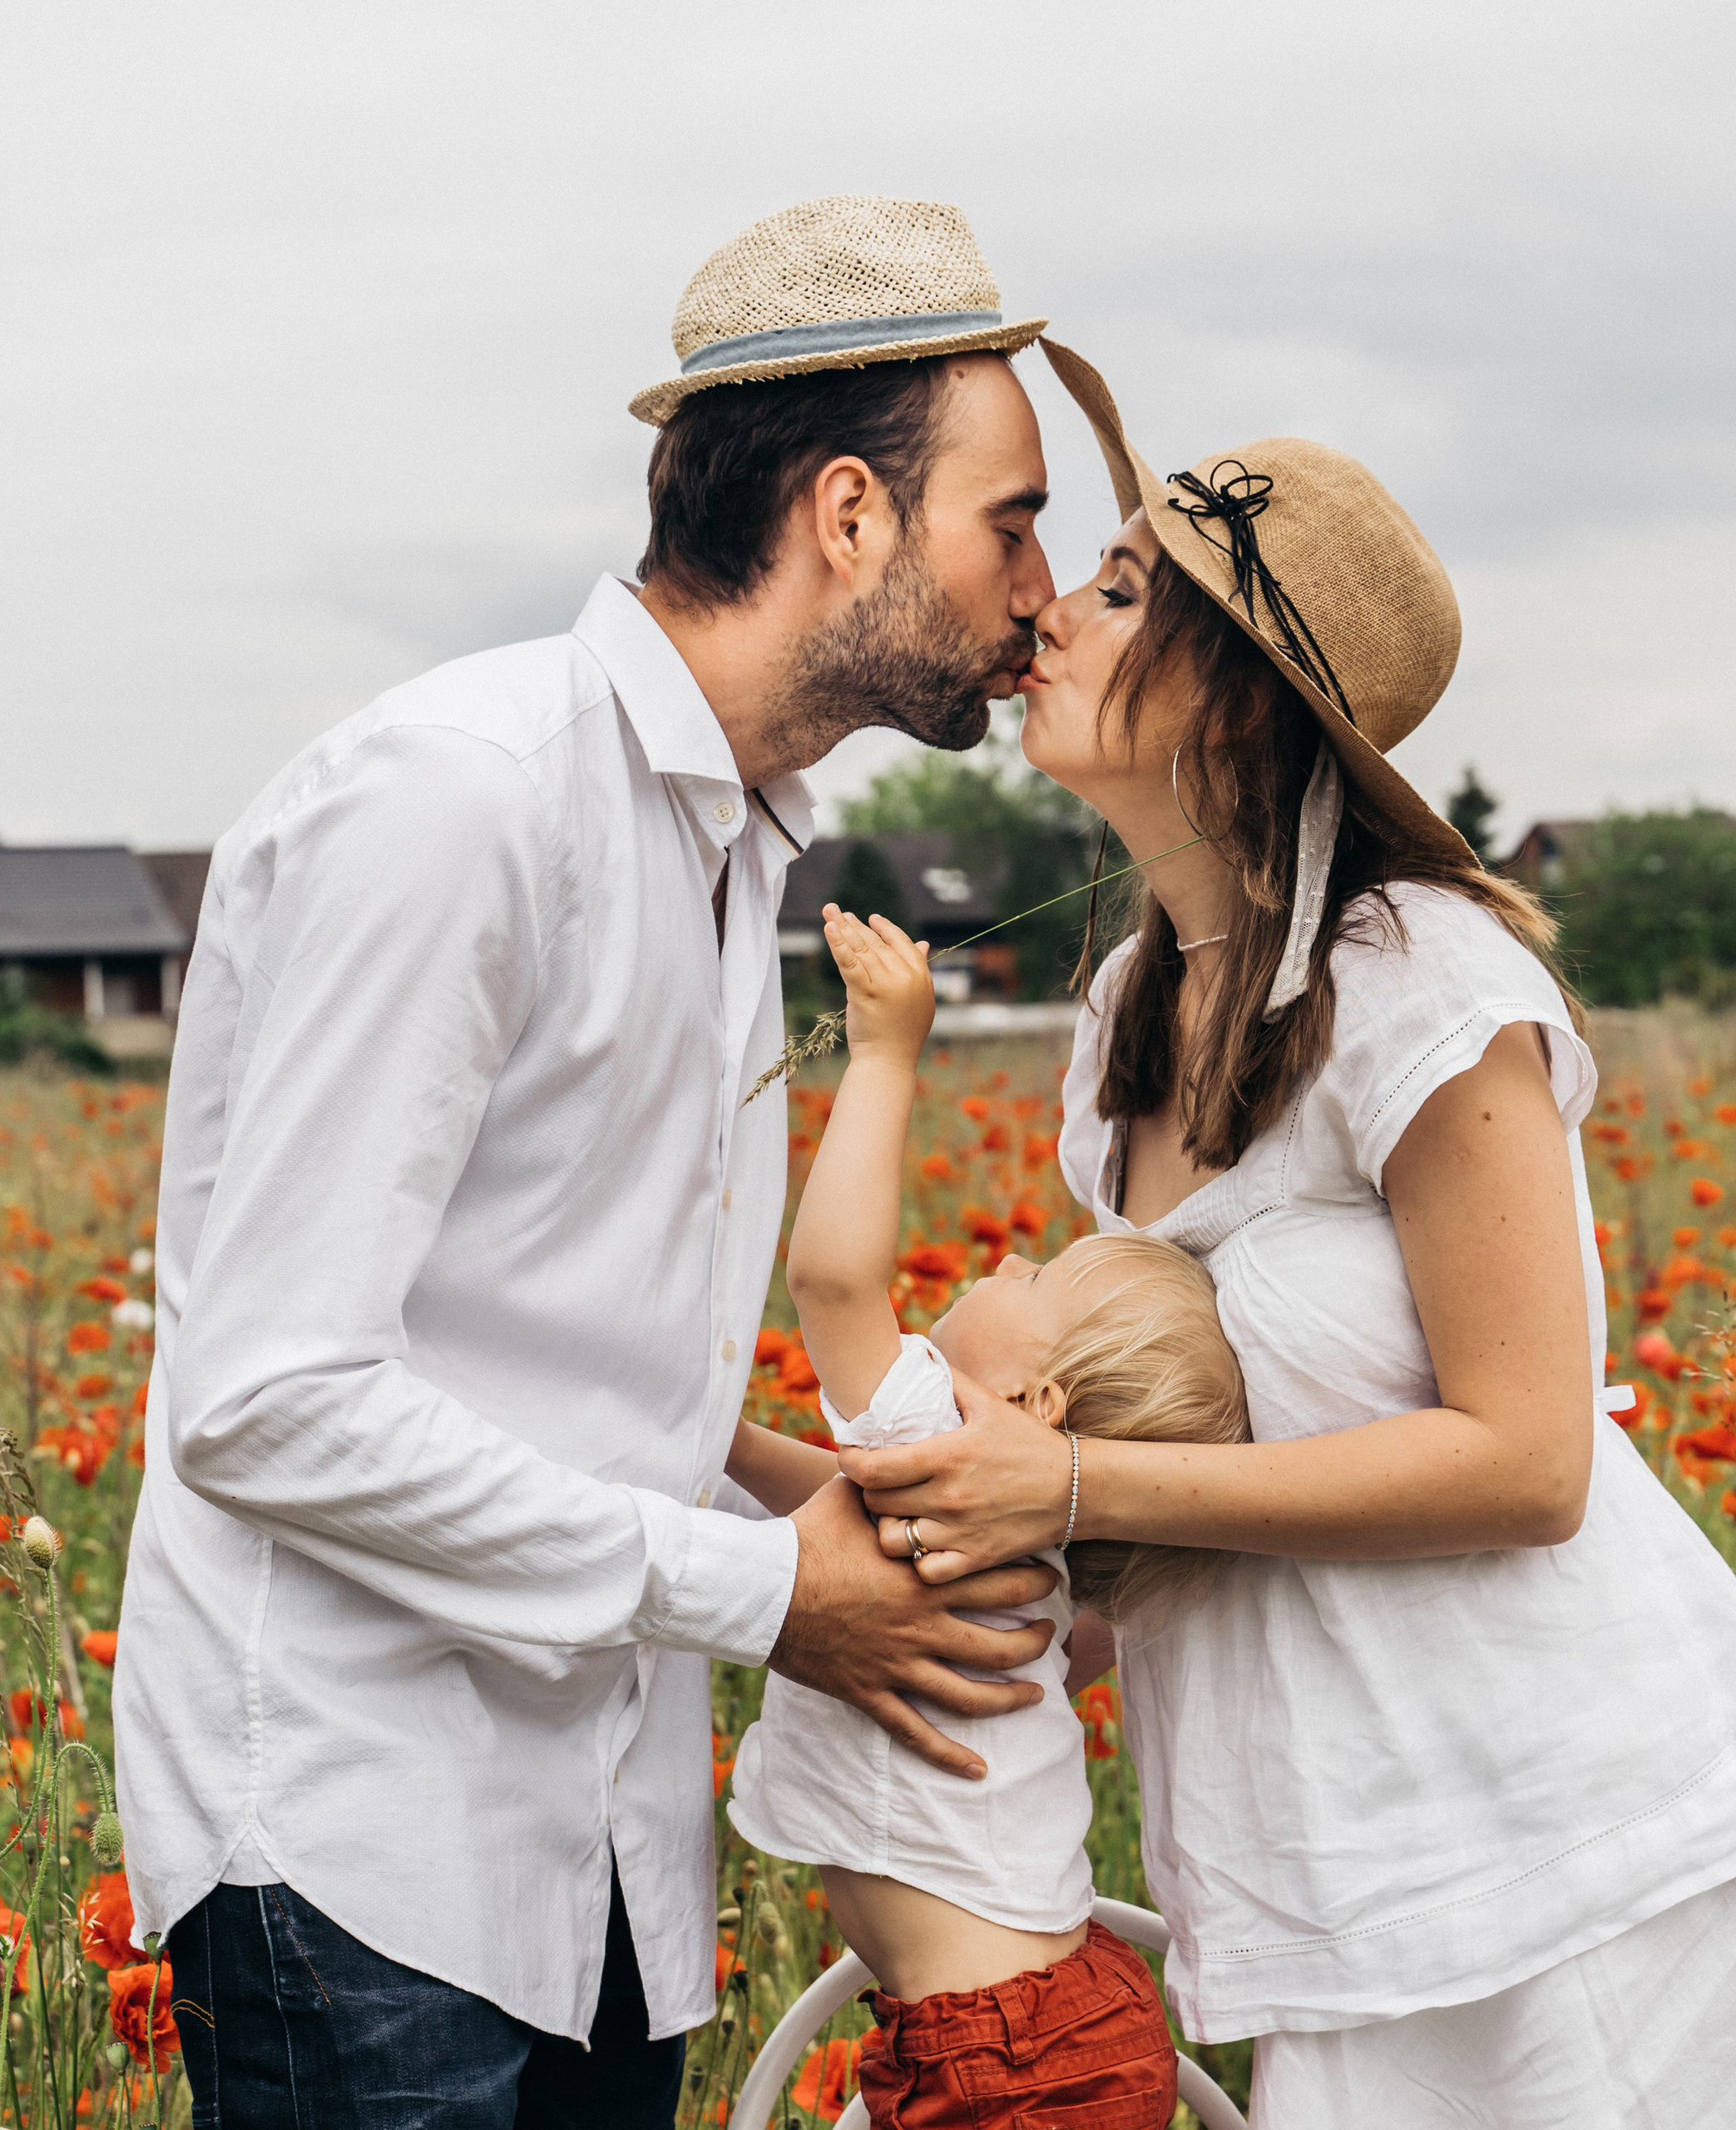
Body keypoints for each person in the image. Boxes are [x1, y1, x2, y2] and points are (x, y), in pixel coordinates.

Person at [838, 342, 1736, 2128]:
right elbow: (1178, 1457)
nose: (1049, 615)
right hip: (1323, 1861)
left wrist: (1068, 1497)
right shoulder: (1121, 1017)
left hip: (1577, 1847)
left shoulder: (1417, 977)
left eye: (1121, 592)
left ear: (1241, 700)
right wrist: (881, 1576)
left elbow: (1524, 1460)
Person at [113, 196, 1067, 2128]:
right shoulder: (464, 801)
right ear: (850, 516)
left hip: (600, 1854)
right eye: (1013, 516)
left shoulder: (727, 846)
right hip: (365, 1843)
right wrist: (765, 1590)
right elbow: (269, 1398)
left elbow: (576, 1353)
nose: (1040, 588)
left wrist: (915, 1520)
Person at [724, 901, 1249, 2128]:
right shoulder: (1014, 1531)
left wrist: (889, 1053)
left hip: (998, 2054)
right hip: (1035, 2027)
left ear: (1036, 1398)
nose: (1011, 1263)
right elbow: (850, 1514)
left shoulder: (956, 1431)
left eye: (1042, 1280)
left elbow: (834, 1280)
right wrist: (718, 1442)